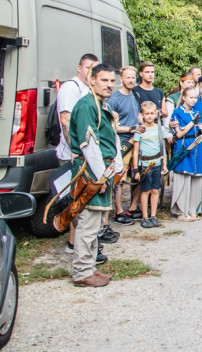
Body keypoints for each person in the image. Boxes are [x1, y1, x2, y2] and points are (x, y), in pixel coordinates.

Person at [68, 62, 121, 287]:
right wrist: (100, 176)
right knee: (88, 223)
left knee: (96, 222)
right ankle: (81, 272)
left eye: (111, 81)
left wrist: (115, 168)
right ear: (92, 80)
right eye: (104, 80)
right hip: (90, 172)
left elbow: (111, 139)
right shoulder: (86, 105)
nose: (109, 85)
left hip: (102, 171)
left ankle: (89, 267)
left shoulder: (101, 105)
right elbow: (89, 144)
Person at [56, 53, 98, 254]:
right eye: (88, 68)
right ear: (79, 68)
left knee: (84, 199)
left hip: (86, 154)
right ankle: (73, 243)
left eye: (94, 69)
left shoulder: (88, 89)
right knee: (76, 199)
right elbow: (66, 120)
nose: (91, 72)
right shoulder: (70, 88)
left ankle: (79, 242)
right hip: (73, 154)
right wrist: (74, 149)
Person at [106, 66, 140, 225]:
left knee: (138, 174)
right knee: (119, 178)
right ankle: (118, 211)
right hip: (123, 143)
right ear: (121, 79)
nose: (131, 80)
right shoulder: (114, 100)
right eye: (128, 78)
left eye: (133, 78)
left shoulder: (135, 95)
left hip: (137, 141)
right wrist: (130, 129)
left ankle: (132, 208)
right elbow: (111, 126)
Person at [133, 101, 172, 228]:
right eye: (146, 113)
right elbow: (135, 151)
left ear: (156, 114)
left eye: (151, 113)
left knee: (156, 190)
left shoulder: (160, 129)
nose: (149, 116)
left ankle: (153, 215)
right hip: (145, 165)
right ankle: (145, 217)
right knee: (145, 190)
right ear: (142, 115)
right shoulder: (140, 131)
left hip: (157, 163)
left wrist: (164, 165)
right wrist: (135, 170)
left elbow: (163, 149)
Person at [170, 87, 202, 221]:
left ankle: (193, 209)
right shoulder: (177, 113)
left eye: (195, 97)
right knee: (183, 177)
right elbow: (179, 133)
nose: (193, 100)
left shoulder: (197, 112)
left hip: (198, 145)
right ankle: (181, 211)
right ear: (184, 97)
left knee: (196, 178)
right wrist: (193, 123)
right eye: (191, 97)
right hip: (185, 145)